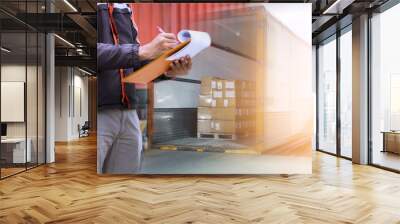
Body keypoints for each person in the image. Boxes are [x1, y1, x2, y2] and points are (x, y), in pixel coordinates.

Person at [97, 3, 192, 174]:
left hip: (128, 112)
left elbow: (135, 64)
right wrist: (143, 51)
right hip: (100, 112)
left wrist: (168, 70)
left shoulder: (126, 9)